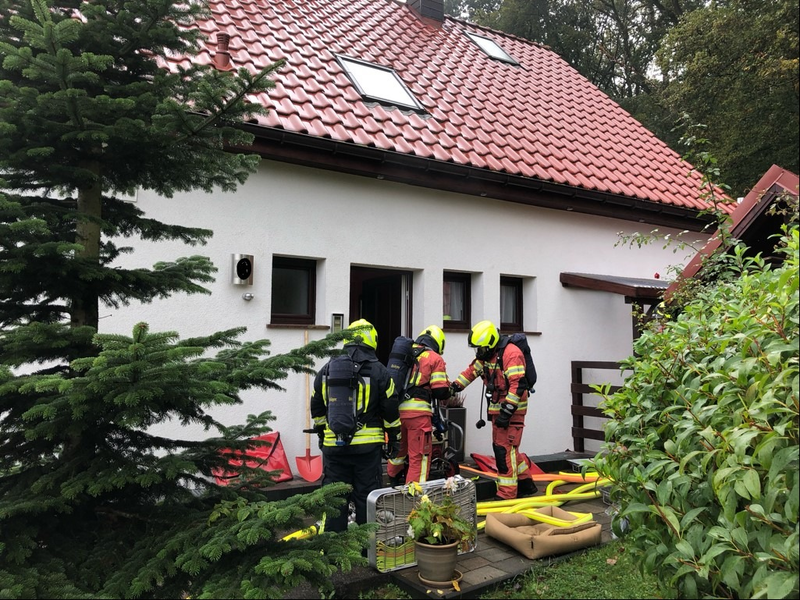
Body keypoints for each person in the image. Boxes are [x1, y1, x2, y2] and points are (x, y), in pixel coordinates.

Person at [310, 319, 400, 531]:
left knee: (335, 500)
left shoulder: (327, 369)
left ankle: (334, 549)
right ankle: (364, 549)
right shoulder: (380, 371)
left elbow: (316, 406)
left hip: (334, 448)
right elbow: (390, 408)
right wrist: (394, 438)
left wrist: (323, 434)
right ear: (372, 340)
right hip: (367, 449)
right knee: (366, 497)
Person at [450, 320, 537, 500]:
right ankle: (526, 484)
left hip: (512, 411)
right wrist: (453, 388)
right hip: (499, 411)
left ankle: (506, 494)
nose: (478, 353)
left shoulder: (511, 354)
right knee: (509, 450)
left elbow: (517, 386)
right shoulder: (487, 356)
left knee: (503, 451)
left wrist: (507, 411)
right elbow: (471, 372)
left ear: (490, 344)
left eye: (480, 349)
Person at [386, 325, 452, 485]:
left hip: (396, 413)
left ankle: (393, 484)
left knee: (398, 453)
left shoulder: (405, 353)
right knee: (419, 458)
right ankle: (415, 500)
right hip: (418, 416)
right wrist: (449, 389)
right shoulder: (434, 358)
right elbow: (440, 390)